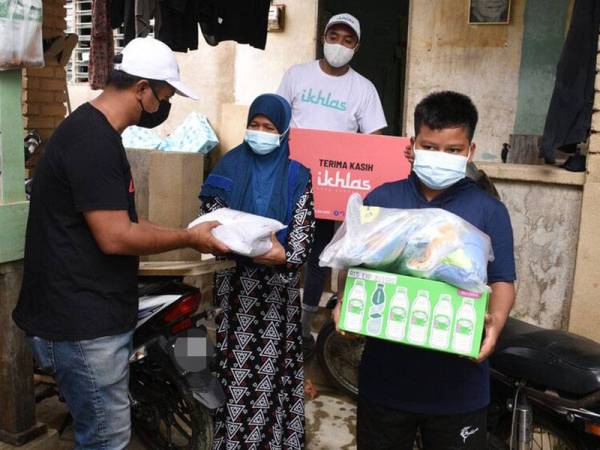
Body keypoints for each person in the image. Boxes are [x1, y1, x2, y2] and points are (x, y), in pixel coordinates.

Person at [12, 37, 229, 450]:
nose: (163, 107)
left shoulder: (100, 135)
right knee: (106, 440)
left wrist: (187, 230)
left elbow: (127, 220)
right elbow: (116, 236)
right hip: (81, 324)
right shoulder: (91, 142)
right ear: (141, 89)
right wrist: (187, 237)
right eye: (163, 96)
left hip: (91, 313)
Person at [334, 91, 516, 449]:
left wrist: (495, 322)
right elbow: (353, 267)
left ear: (470, 152)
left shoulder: (489, 211)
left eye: (453, 150)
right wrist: (344, 303)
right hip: (385, 384)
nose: (441, 158)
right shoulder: (383, 200)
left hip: (459, 389)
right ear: (412, 144)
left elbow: (502, 279)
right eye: (430, 147)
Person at [199, 94, 316, 450]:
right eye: (255, 125)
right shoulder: (228, 166)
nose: (260, 132)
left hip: (277, 296)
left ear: (283, 133)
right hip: (235, 291)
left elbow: (298, 246)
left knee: (274, 373)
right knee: (234, 371)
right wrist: (268, 250)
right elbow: (210, 229)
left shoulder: (298, 176)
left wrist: (264, 251)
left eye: (269, 128)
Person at [277, 12, 387, 358]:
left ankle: (304, 325)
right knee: (280, 248)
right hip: (288, 181)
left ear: (356, 46)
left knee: (318, 256)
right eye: (334, 36)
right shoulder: (297, 75)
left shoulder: (363, 89)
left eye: (348, 40)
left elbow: (375, 141)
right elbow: (277, 119)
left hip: (329, 190)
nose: (339, 44)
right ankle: (276, 317)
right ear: (323, 37)